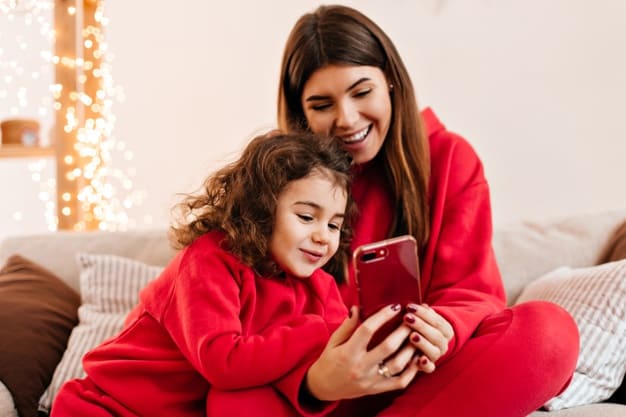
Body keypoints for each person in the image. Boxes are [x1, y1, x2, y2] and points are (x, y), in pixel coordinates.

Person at [276, 5, 580, 417]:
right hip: (328, 386)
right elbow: (255, 315)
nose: (347, 119)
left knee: (550, 333)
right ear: (301, 114)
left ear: (391, 84)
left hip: (424, 376)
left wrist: (447, 329)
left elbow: (473, 293)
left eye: (362, 92)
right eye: (321, 104)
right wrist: (317, 383)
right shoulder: (279, 179)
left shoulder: (450, 158)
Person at [50, 132, 357, 417]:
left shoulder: (321, 288)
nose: (323, 237)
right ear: (262, 208)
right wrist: (317, 330)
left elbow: (341, 345)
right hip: (109, 407)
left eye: (333, 225)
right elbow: (224, 362)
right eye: (306, 217)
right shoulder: (208, 260)